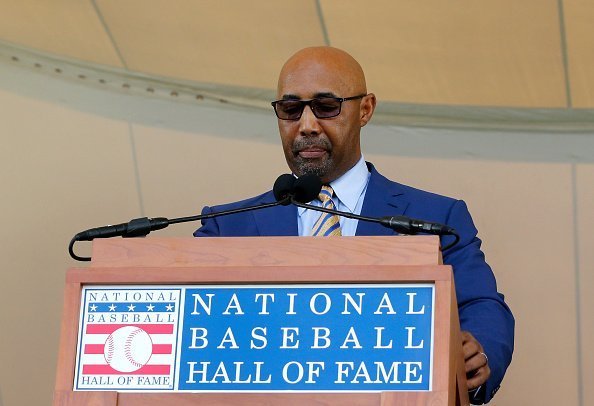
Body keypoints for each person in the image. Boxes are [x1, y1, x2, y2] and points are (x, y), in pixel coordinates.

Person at [194, 46, 514, 404]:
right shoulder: (226, 227)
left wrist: (478, 348)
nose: (307, 125)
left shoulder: (436, 217)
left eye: (326, 107)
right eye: (290, 109)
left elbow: (482, 306)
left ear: (365, 109)